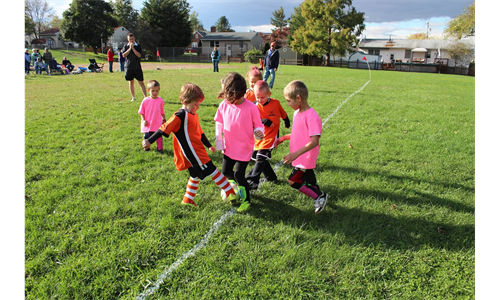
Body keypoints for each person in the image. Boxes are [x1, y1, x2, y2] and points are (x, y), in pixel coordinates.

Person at [142, 83, 239, 207]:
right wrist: (149, 140)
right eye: (195, 105)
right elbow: (163, 128)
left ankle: (187, 200)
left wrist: (208, 145)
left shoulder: (193, 114)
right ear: (185, 101)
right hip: (193, 153)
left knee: (195, 174)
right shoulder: (179, 116)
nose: (197, 107)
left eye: (199, 105)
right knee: (213, 171)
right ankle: (230, 192)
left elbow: (200, 132)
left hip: (198, 150)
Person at [214, 72, 264, 212]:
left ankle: (246, 201)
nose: (230, 100)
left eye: (233, 97)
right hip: (229, 146)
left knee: (238, 175)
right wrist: (219, 139)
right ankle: (234, 192)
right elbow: (219, 122)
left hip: (244, 148)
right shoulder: (224, 104)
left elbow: (259, 125)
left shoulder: (252, 108)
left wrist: (259, 132)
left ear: (241, 93)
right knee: (225, 172)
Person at [276, 80, 328, 214]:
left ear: (298, 98)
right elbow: (297, 133)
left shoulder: (312, 117)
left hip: (305, 156)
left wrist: (296, 154)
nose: (287, 104)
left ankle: (319, 196)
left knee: (293, 181)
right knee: (310, 179)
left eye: (288, 101)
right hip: (300, 155)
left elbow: (315, 141)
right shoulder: (297, 112)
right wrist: (283, 138)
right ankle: (317, 192)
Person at [246, 80, 290, 190]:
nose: (259, 100)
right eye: (257, 97)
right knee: (258, 157)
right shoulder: (254, 106)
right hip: (260, 136)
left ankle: (252, 180)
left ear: (269, 94)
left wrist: (286, 120)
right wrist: (264, 121)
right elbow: (251, 121)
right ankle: (271, 177)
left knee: (260, 157)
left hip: (271, 136)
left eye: (262, 97)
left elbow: (282, 113)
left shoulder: (276, 103)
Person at [138, 80, 166, 153]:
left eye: (157, 91)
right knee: (147, 136)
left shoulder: (160, 100)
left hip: (157, 122)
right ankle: (146, 147)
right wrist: (143, 120)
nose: (155, 93)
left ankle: (160, 149)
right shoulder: (145, 100)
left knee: (159, 136)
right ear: (148, 90)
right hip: (148, 123)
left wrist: (164, 118)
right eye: (153, 91)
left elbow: (162, 111)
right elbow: (141, 112)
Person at [122, 33, 147, 101]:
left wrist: (133, 48)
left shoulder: (138, 46)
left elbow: (139, 55)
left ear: (134, 39)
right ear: (128, 39)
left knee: (141, 82)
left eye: (132, 39)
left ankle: (145, 97)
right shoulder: (125, 46)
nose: (131, 40)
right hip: (129, 67)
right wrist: (130, 48)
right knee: (131, 82)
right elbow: (124, 55)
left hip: (137, 67)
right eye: (130, 39)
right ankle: (133, 97)